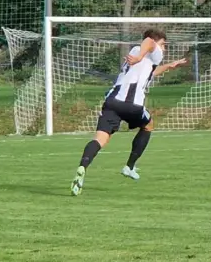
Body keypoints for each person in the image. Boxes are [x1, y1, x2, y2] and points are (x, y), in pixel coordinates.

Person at [71, 29, 187, 196]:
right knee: (148, 125)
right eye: (163, 44)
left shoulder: (136, 53)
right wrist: (144, 53)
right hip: (132, 105)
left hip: (111, 102)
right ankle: (129, 166)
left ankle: (82, 167)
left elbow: (151, 72)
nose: (164, 49)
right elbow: (149, 41)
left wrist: (168, 66)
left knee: (100, 139)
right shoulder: (148, 51)